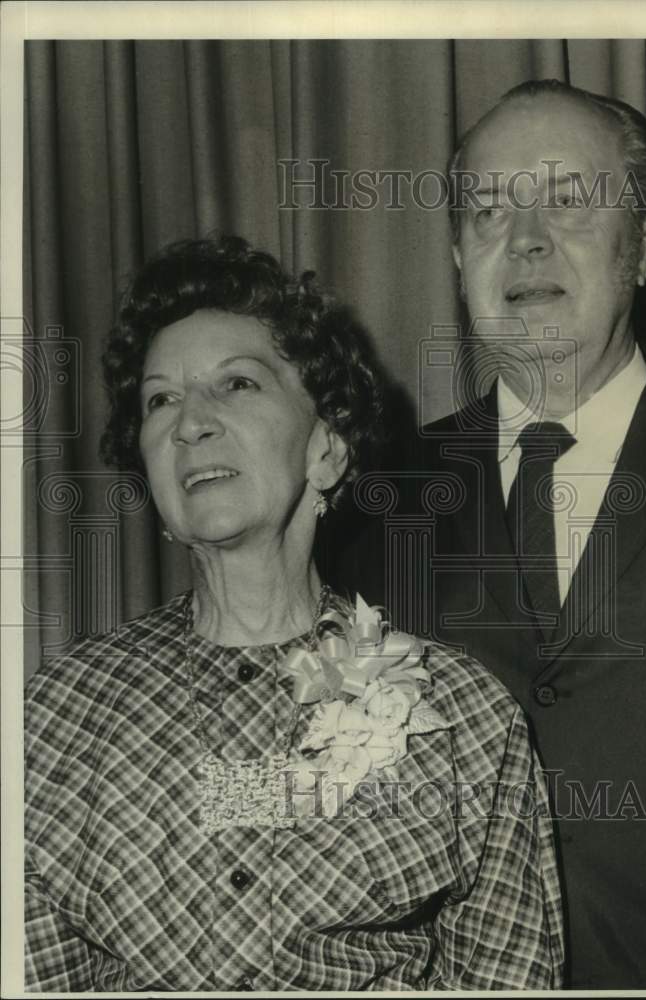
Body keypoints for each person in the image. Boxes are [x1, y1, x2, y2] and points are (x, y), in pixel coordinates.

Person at [23, 235, 564, 993]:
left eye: (237, 385)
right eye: (159, 399)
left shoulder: (466, 718)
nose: (189, 424)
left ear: (327, 449)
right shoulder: (55, 717)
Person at [336, 80, 646, 989]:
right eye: (489, 212)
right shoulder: (369, 501)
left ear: (645, 247)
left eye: (569, 203)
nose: (526, 239)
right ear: (459, 256)